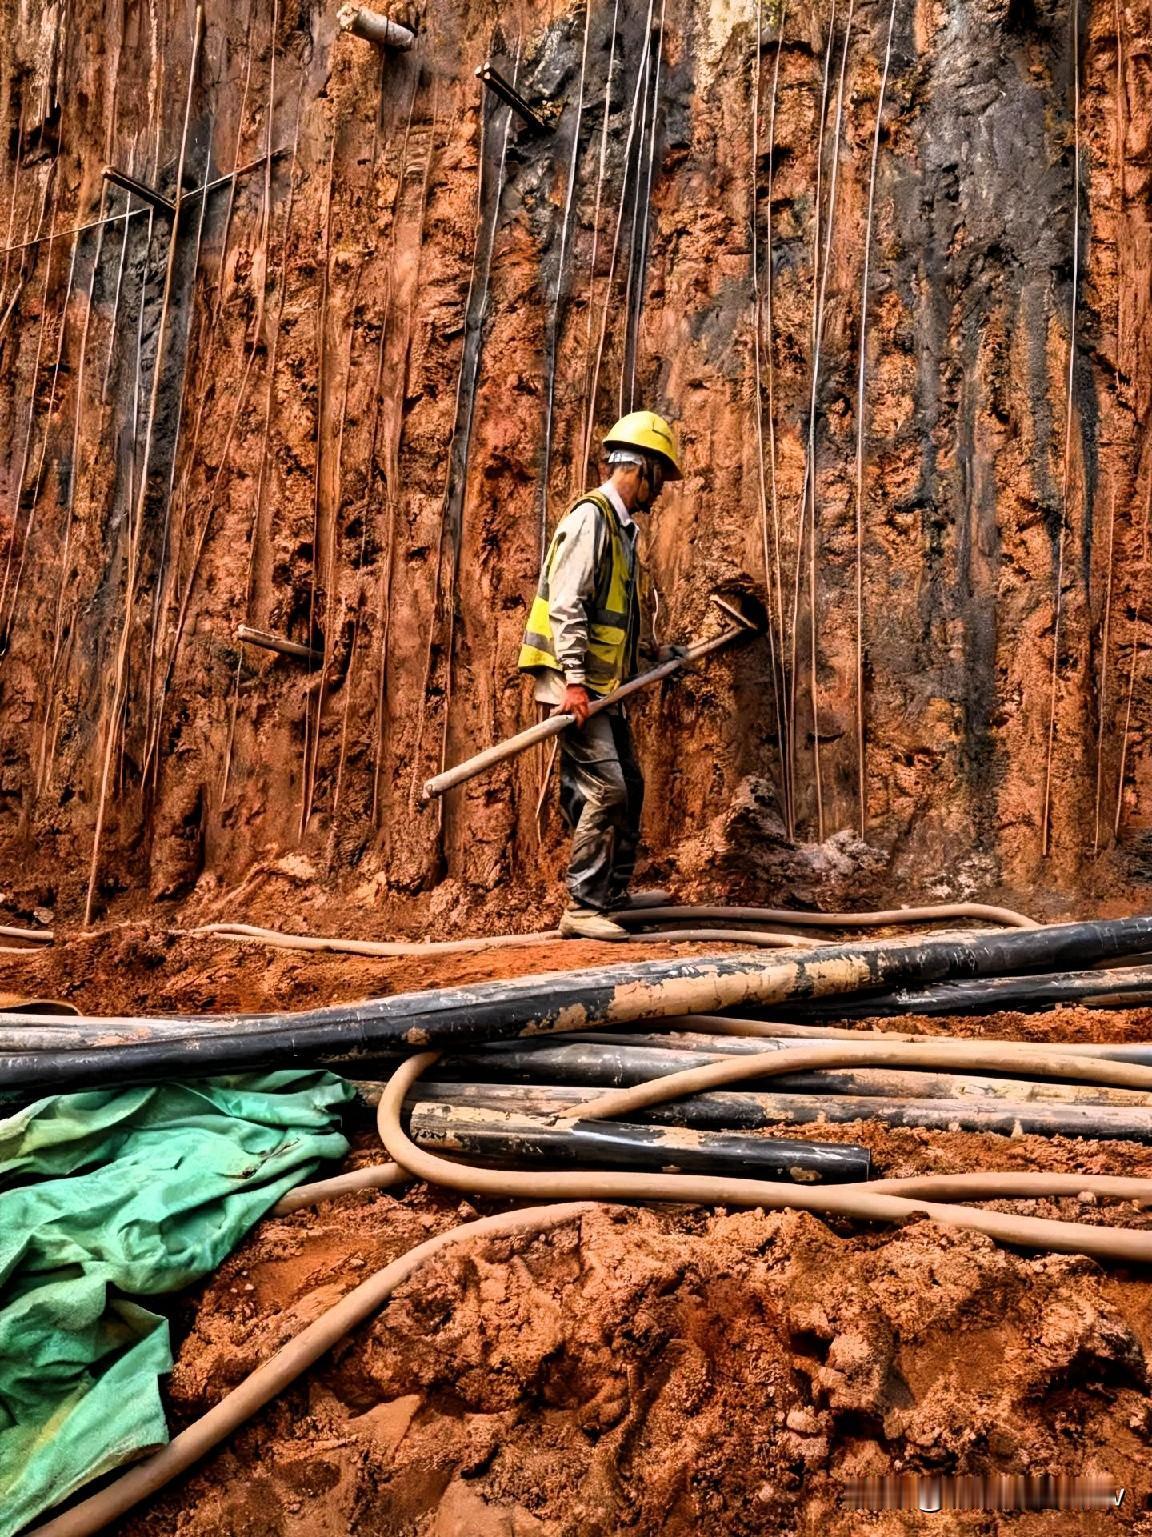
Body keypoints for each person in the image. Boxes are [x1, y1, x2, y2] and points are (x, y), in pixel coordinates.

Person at [518, 410, 684, 939]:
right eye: (659, 480)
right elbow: (569, 606)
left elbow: (615, 616)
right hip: (577, 684)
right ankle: (582, 905)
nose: (658, 495)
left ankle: (612, 890)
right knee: (606, 788)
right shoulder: (592, 519)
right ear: (642, 469)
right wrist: (573, 683)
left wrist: (656, 655)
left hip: (601, 684)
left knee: (629, 783)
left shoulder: (621, 528)